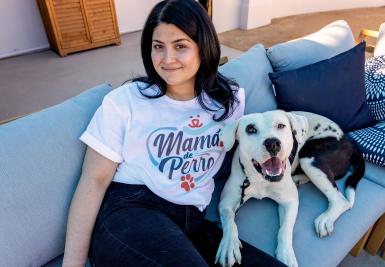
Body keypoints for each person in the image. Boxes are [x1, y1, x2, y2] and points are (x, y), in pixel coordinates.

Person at [62, 1, 286, 266]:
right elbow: (94, 179)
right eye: (158, 47)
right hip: (131, 210)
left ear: (203, 46)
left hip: (192, 219)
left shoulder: (230, 100)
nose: (167, 59)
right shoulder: (125, 101)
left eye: (180, 46)